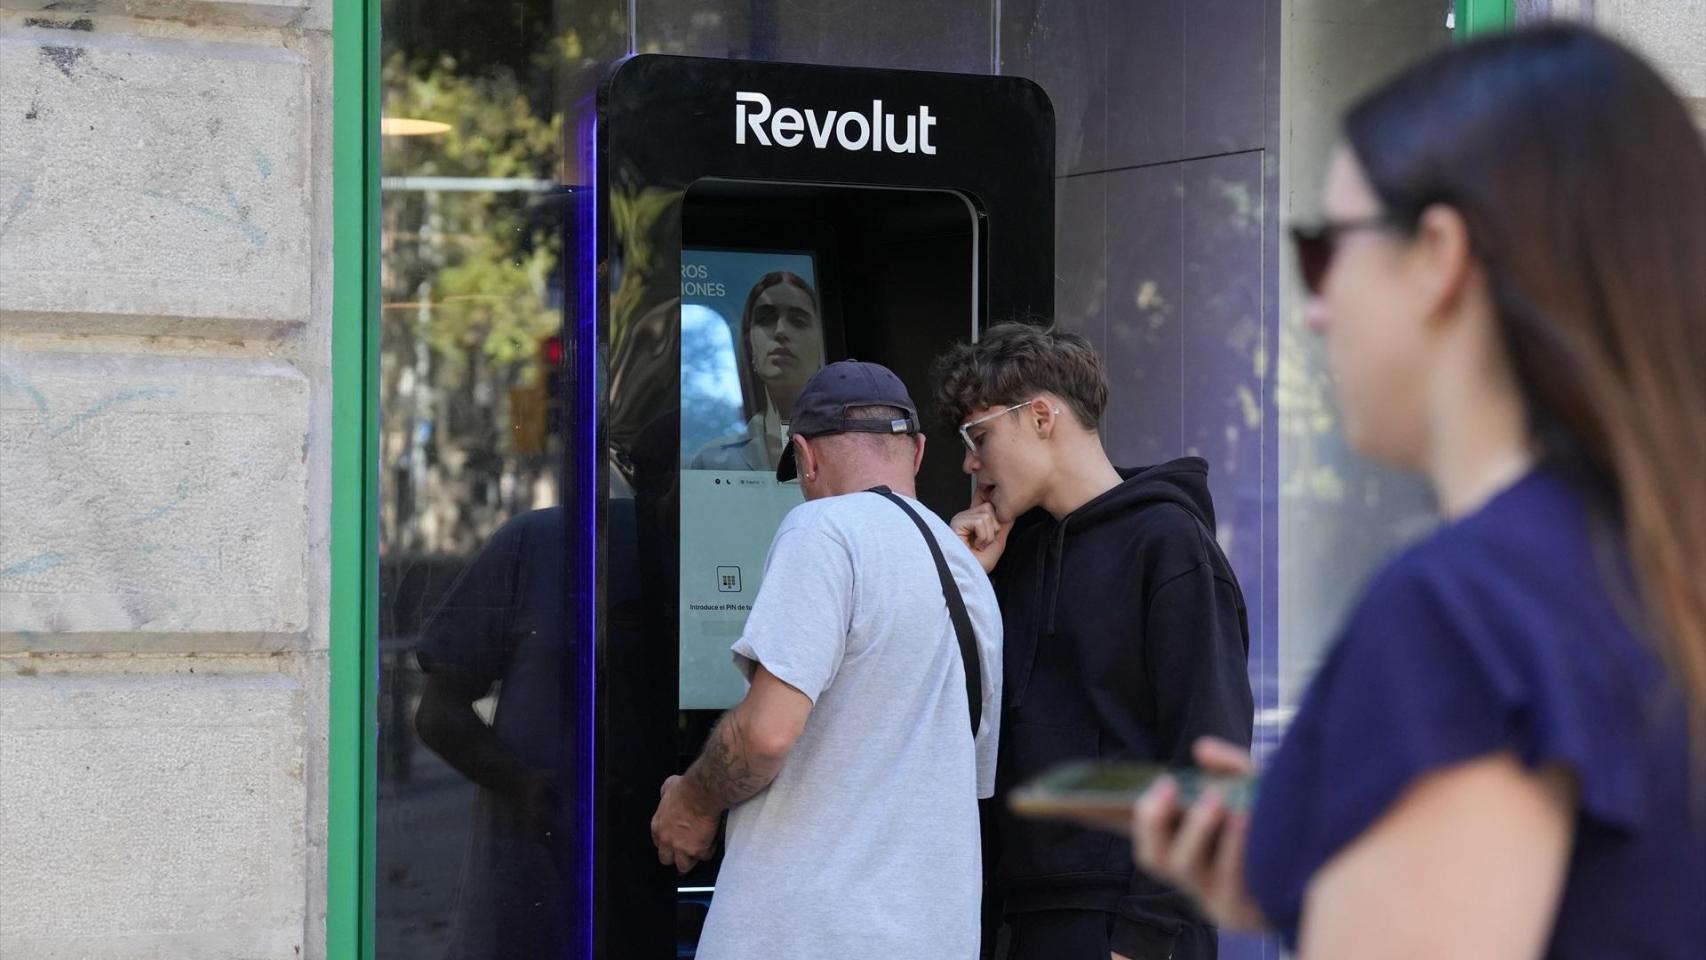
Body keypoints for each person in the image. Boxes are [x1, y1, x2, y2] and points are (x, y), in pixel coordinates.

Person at [1132, 24, 1706, 959]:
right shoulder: (1650, 566)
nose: (1314, 307)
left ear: (1439, 253)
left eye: (1326, 250)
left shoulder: (1461, 609)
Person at [651, 360, 1004, 958]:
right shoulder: (969, 575)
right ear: (916, 452)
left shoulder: (823, 529)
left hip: (811, 936)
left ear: (805, 456)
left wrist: (691, 801)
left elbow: (764, 735)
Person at [932, 324, 1254, 960]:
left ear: (1043, 415)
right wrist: (968, 583)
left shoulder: (1168, 545)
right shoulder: (1006, 559)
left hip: (1128, 929)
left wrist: (1144, 936)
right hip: (1022, 919)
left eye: (979, 436)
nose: (970, 462)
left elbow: (1210, 752)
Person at [690, 271, 826, 471]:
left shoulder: (851, 455)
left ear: (820, 345)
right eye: (765, 319)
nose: (780, 331)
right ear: (750, 346)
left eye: (798, 321)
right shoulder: (713, 462)